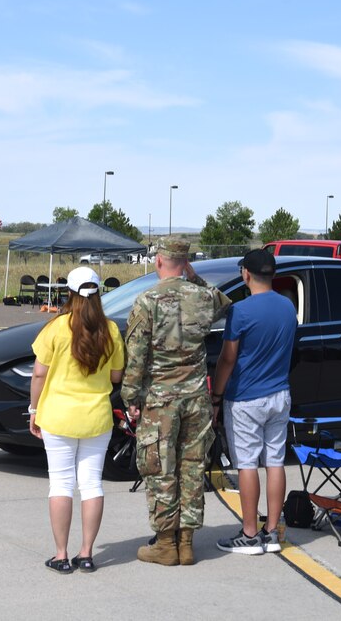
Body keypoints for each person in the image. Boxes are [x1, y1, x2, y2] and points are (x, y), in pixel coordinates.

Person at [121, 239, 231, 566]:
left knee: (160, 468)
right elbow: (224, 302)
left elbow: (136, 357)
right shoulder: (202, 297)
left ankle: (166, 543)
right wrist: (194, 278)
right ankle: (187, 543)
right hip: (196, 398)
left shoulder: (146, 301)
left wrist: (131, 397)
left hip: (160, 401)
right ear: (185, 263)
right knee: (192, 468)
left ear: (157, 261)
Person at [28, 266, 125, 574]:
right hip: (96, 418)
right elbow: (117, 375)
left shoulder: (55, 328)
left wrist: (33, 410)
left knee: (61, 484)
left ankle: (61, 555)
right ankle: (86, 553)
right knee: (92, 483)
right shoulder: (110, 330)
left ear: (68, 293)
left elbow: (39, 374)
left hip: (58, 417)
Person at [210, 249, 297, 555]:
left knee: (247, 465)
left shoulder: (241, 311)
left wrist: (216, 396)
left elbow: (228, 358)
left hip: (246, 398)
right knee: (275, 461)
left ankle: (249, 534)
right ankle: (272, 532)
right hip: (279, 394)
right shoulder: (288, 307)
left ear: (246, 274)